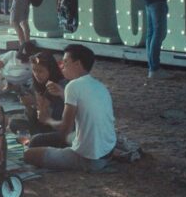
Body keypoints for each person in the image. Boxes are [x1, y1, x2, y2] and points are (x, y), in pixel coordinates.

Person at [23, 44, 116, 173]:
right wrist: (62, 94)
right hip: (108, 151)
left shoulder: (72, 86)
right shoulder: (100, 86)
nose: (62, 66)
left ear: (77, 64)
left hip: (90, 159)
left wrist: (47, 119)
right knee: (40, 140)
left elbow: (64, 130)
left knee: (29, 154)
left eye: (65, 62)